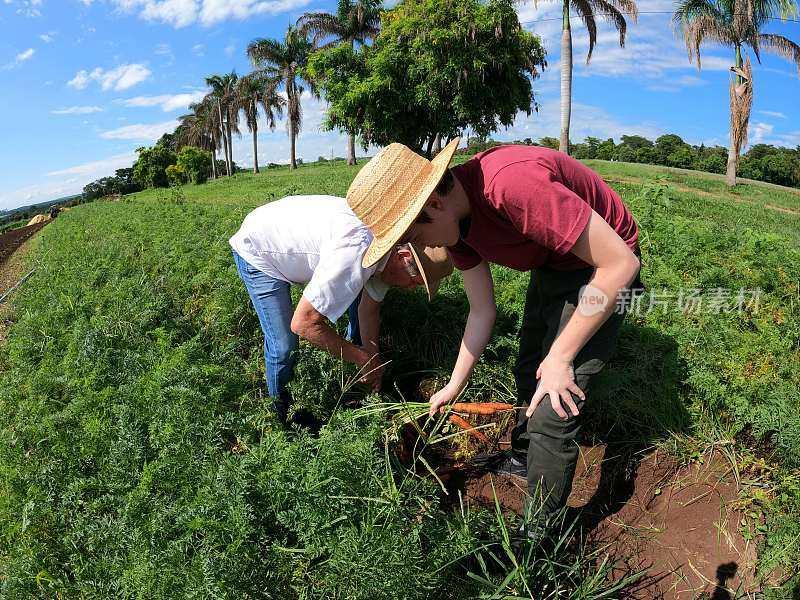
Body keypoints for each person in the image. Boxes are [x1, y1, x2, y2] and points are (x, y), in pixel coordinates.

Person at [346, 140, 643, 539]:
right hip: (555, 261)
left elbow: (621, 263)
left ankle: (541, 535)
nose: (421, 247)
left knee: (554, 402)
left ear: (433, 202)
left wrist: (561, 358)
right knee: (528, 366)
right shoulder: (457, 227)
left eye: (415, 234)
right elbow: (482, 310)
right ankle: (523, 455)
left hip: (603, 266)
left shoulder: (511, 186)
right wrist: (454, 385)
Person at [229, 194, 453, 426]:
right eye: (415, 283)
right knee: (283, 345)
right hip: (259, 247)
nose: (408, 290)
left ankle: (349, 375)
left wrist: (372, 360)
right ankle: (281, 415)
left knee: (356, 310)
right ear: (404, 257)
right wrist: (361, 357)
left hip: (288, 236)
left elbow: (369, 311)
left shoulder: (388, 254)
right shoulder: (356, 252)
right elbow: (303, 323)